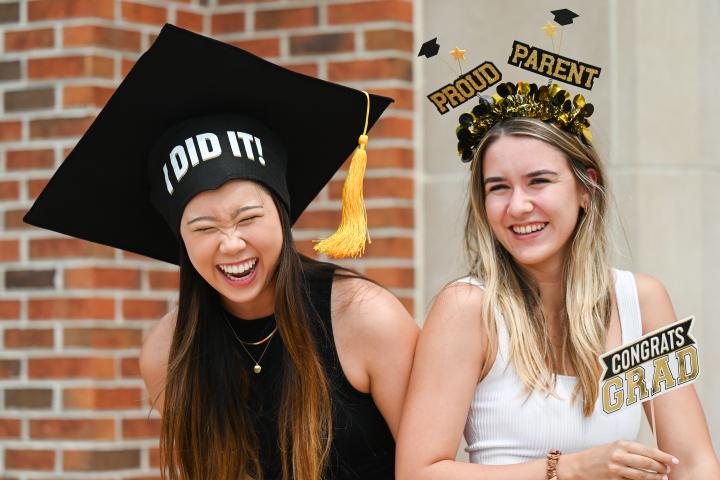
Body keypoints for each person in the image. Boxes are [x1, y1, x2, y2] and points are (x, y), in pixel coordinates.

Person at [24, 25, 418, 480]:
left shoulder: (365, 318)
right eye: (204, 227)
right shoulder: (168, 353)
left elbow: (429, 470)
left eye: (249, 218)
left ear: (283, 217)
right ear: (182, 240)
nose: (231, 243)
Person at [395, 82, 720, 480]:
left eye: (539, 181)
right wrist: (567, 469)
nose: (517, 206)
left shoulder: (641, 302)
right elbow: (418, 473)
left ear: (585, 188)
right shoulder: (468, 307)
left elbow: (693, 462)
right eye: (498, 187)